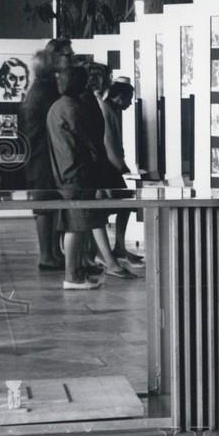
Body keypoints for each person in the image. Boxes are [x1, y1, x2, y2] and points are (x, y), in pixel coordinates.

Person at [47, 66, 134, 290]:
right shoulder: (74, 108)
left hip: (66, 173)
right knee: (76, 226)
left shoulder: (57, 106)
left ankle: (76, 271)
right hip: (77, 175)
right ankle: (72, 276)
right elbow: (90, 144)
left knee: (76, 224)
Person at [19, 50, 65, 270]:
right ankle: (47, 254)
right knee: (45, 207)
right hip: (43, 158)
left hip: (40, 156)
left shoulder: (39, 90)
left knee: (48, 206)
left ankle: (52, 252)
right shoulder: (43, 92)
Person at [100, 77, 143, 265]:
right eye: (129, 98)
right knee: (114, 207)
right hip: (108, 169)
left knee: (124, 206)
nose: (130, 102)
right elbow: (109, 144)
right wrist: (123, 169)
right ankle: (110, 250)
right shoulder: (107, 110)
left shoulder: (112, 110)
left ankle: (118, 247)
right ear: (119, 97)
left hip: (111, 167)